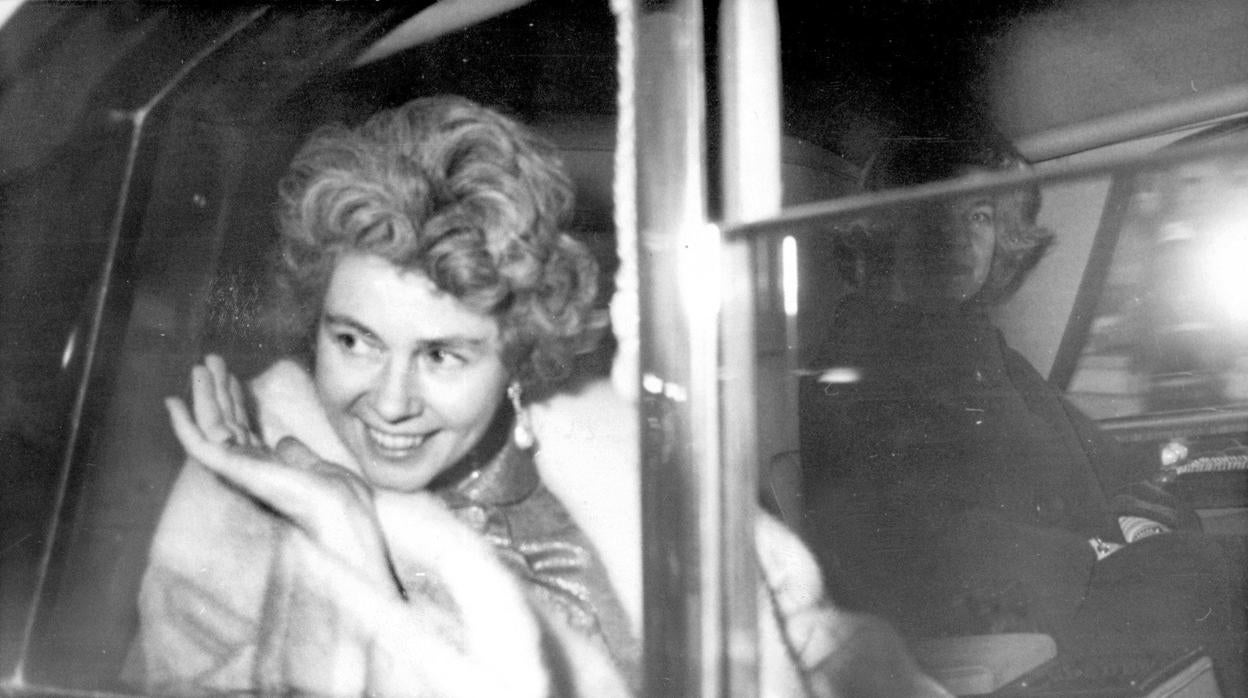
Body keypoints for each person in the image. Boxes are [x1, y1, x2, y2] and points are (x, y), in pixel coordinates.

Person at [127, 95, 951, 696]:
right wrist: (353, 549)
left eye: (442, 355)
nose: (389, 401)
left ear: (521, 349)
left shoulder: (628, 458)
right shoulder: (250, 501)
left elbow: (813, 649)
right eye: (354, 341)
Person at [799, 137, 1248, 695]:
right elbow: (907, 536)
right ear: (889, 230)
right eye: (937, 216)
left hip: (1062, 582)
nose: (961, 239)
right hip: (989, 614)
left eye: (980, 216)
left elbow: (1094, 452)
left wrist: (1141, 511)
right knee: (1205, 573)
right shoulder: (858, 360)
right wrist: (1090, 553)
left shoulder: (980, 345)